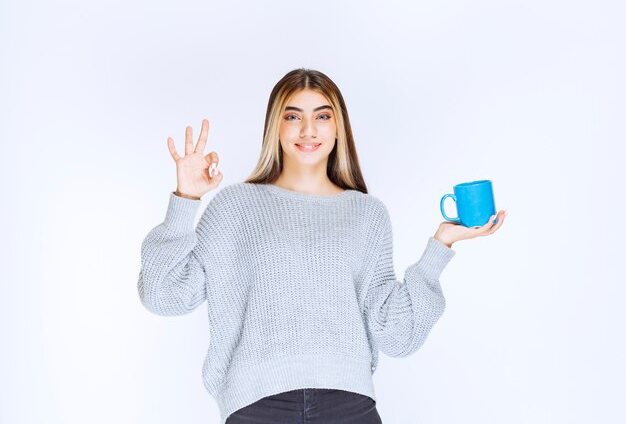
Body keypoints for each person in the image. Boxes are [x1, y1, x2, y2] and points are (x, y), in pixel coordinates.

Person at [137, 68, 506, 424]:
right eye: (293, 116)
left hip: (349, 405)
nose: (309, 130)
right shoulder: (236, 207)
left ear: (338, 127)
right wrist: (185, 198)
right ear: (275, 128)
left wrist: (440, 247)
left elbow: (398, 336)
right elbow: (162, 295)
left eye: (322, 116)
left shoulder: (366, 214)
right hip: (256, 407)